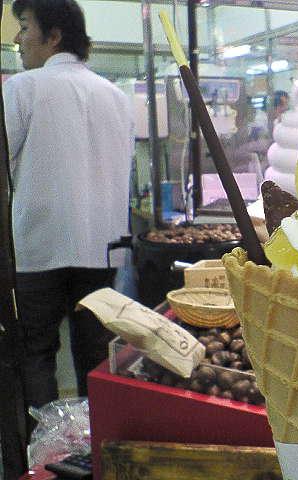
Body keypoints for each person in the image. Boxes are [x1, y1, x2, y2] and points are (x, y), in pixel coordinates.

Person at [4, 0, 134, 433]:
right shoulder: (115, 95)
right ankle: (96, 445)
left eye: (25, 27)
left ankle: (45, 450)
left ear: (54, 36)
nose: (18, 39)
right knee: (95, 355)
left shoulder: (23, 88)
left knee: (36, 353)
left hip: (39, 248)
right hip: (103, 247)